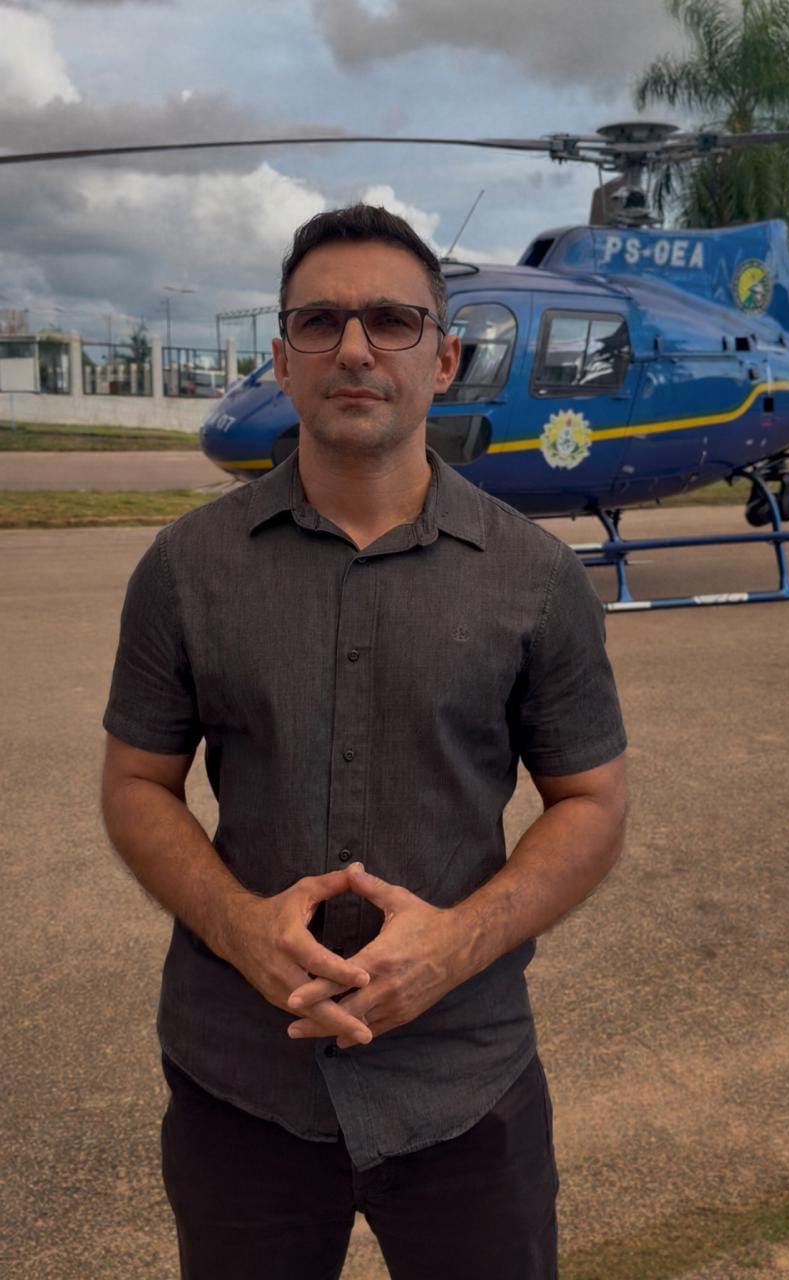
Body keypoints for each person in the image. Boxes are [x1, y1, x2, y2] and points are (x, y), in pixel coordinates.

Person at [101, 203, 627, 1280]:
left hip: (465, 1082)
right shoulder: (184, 568)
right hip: (241, 1081)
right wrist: (239, 926)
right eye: (319, 321)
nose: (353, 347)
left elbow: (591, 801)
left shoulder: (536, 578)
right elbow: (136, 784)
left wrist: (456, 946)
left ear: (444, 359)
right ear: (281, 358)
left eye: (391, 321)